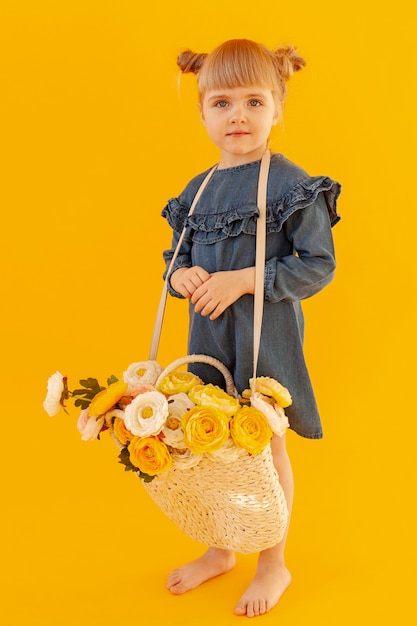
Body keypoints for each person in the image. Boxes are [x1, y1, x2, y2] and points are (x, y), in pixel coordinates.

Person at [161, 38, 341, 618]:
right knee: (214, 445)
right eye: (221, 103)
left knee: (264, 446)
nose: (237, 115)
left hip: (266, 337)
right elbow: (174, 260)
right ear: (202, 110)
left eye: (253, 101)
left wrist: (241, 280)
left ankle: (273, 561)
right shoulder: (198, 190)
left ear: (277, 107)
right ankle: (220, 549)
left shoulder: (290, 185)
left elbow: (317, 264)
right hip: (210, 341)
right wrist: (183, 276)